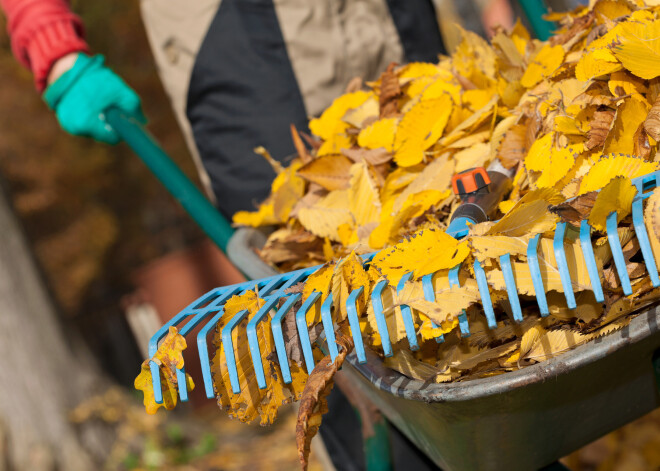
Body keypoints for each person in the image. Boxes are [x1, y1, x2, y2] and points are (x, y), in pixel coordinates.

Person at [0, 1, 509, 469]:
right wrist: (48, 37)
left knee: (473, 272)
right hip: (237, 40)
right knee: (331, 328)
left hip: (384, 15)